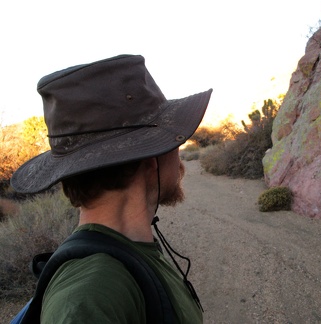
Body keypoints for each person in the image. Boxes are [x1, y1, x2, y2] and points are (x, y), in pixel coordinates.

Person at [11, 54, 212, 323]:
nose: (178, 151)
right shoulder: (91, 296)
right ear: (150, 159)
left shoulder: (130, 252)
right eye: (172, 138)